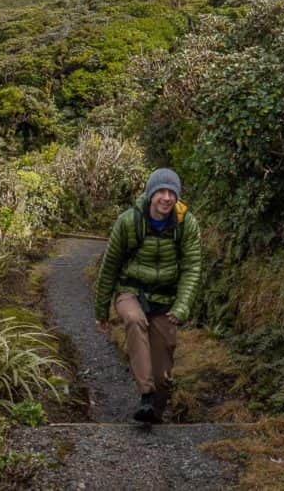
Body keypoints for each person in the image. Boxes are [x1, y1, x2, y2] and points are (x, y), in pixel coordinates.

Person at [93, 167, 202, 423]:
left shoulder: (186, 224)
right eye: (161, 191)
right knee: (134, 320)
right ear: (150, 194)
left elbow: (192, 267)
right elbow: (109, 268)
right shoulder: (129, 221)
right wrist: (101, 313)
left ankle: (155, 411)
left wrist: (182, 306)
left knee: (163, 372)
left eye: (171, 193)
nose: (166, 197)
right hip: (130, 291)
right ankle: (145, 394)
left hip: (165, 299)